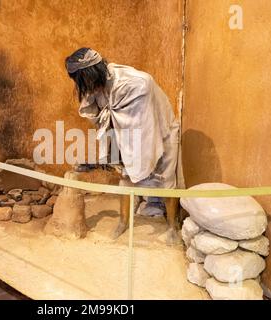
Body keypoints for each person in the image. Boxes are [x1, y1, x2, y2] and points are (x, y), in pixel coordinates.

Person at [65, 47, 184, 242]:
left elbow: (142, 124)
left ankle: (172, 226)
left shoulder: (136, 83)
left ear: (90, 74)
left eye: (81, 80)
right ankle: (123, 222)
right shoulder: (96, 86)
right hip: (127, 137)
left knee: (166, 180)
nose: (81, 86)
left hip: (160, 133)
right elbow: (98, 113)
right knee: (126, 178)